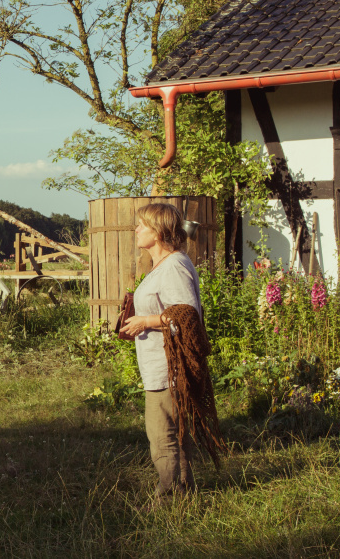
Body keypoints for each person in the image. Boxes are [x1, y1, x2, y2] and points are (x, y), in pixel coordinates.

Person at [119, 202, 201, 500]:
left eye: (142, 225)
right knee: (175, 434)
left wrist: (146, 321)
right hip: (161, 365)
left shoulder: (174, 266)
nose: (136, 230)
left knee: (162, 436)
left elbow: (187, 316)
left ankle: (167, 498)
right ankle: (184, 494)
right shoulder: (165, 265)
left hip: (169, 367)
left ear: (158, 231)